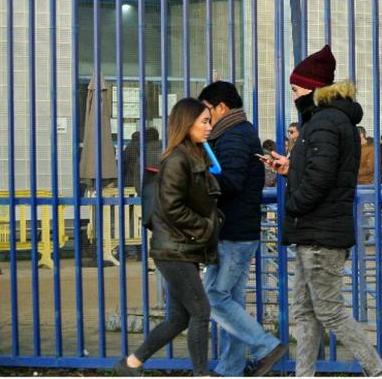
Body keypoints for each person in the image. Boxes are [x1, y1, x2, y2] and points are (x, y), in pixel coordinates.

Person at [265, 45, 382, 377]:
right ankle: (304, 374)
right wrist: (289, 168)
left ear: (312, 87)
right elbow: (324, 171)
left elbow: (320, 180)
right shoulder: (331, 121)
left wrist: (292, 206)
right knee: (306, 312)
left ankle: (380, 371)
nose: (293, 96)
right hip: (318, 231)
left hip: (318, 231)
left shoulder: (323, 122)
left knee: (330, 311)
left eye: (295, 89)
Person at [113, 98, 221, 376]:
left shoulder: (194, 154)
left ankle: (131, 364)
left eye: (209, 121)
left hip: (182, 247)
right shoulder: (176, 159)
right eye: (204, 122)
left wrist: (213, 220)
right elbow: (171, 207)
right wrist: (206, 227)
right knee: (200, 311)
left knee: (178, 318)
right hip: (174, 249)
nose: (209, 127)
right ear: (187, 124)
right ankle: (201, 374)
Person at [197, 81, 287, 377]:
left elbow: (231, 181)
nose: (205, 118)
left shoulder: (233, 136)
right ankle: (230, 368)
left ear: (221, 106)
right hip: (238, 229)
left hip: (233, 230)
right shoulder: (237, 132)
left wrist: (197, 177)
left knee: (213, 297)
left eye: (207, 111)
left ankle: (266, 346)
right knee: (230, 302)